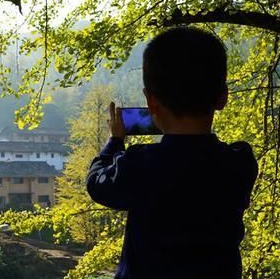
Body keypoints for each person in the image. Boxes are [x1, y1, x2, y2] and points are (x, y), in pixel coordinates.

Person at [86, 26, 258, 279]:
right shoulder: (239, 162)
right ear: (222, 97)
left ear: (151, 102)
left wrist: (115, 141)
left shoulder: (138, 165)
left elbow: (96, 184)